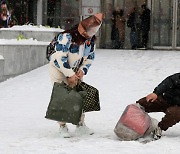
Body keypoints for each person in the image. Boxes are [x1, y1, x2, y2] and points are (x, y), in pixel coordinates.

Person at [48, 13, 103, 138]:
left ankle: (80, 124)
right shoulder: (66, 37)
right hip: (59, 70)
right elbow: (59, 58)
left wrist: (82, 70)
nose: (87, 35)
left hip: (76, 71)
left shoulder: (90, 42)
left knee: (79, 97)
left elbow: (90, 58)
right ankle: (62, 126)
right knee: (62, 96)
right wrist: (69, 74)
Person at [136, 73, 180, 140]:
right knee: (142, 103)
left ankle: (159, 128)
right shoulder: (177, 77)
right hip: (165, 99)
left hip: (178, 108)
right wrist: (156, 93)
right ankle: (132, 122)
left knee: (175, 114)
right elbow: (167, 83)